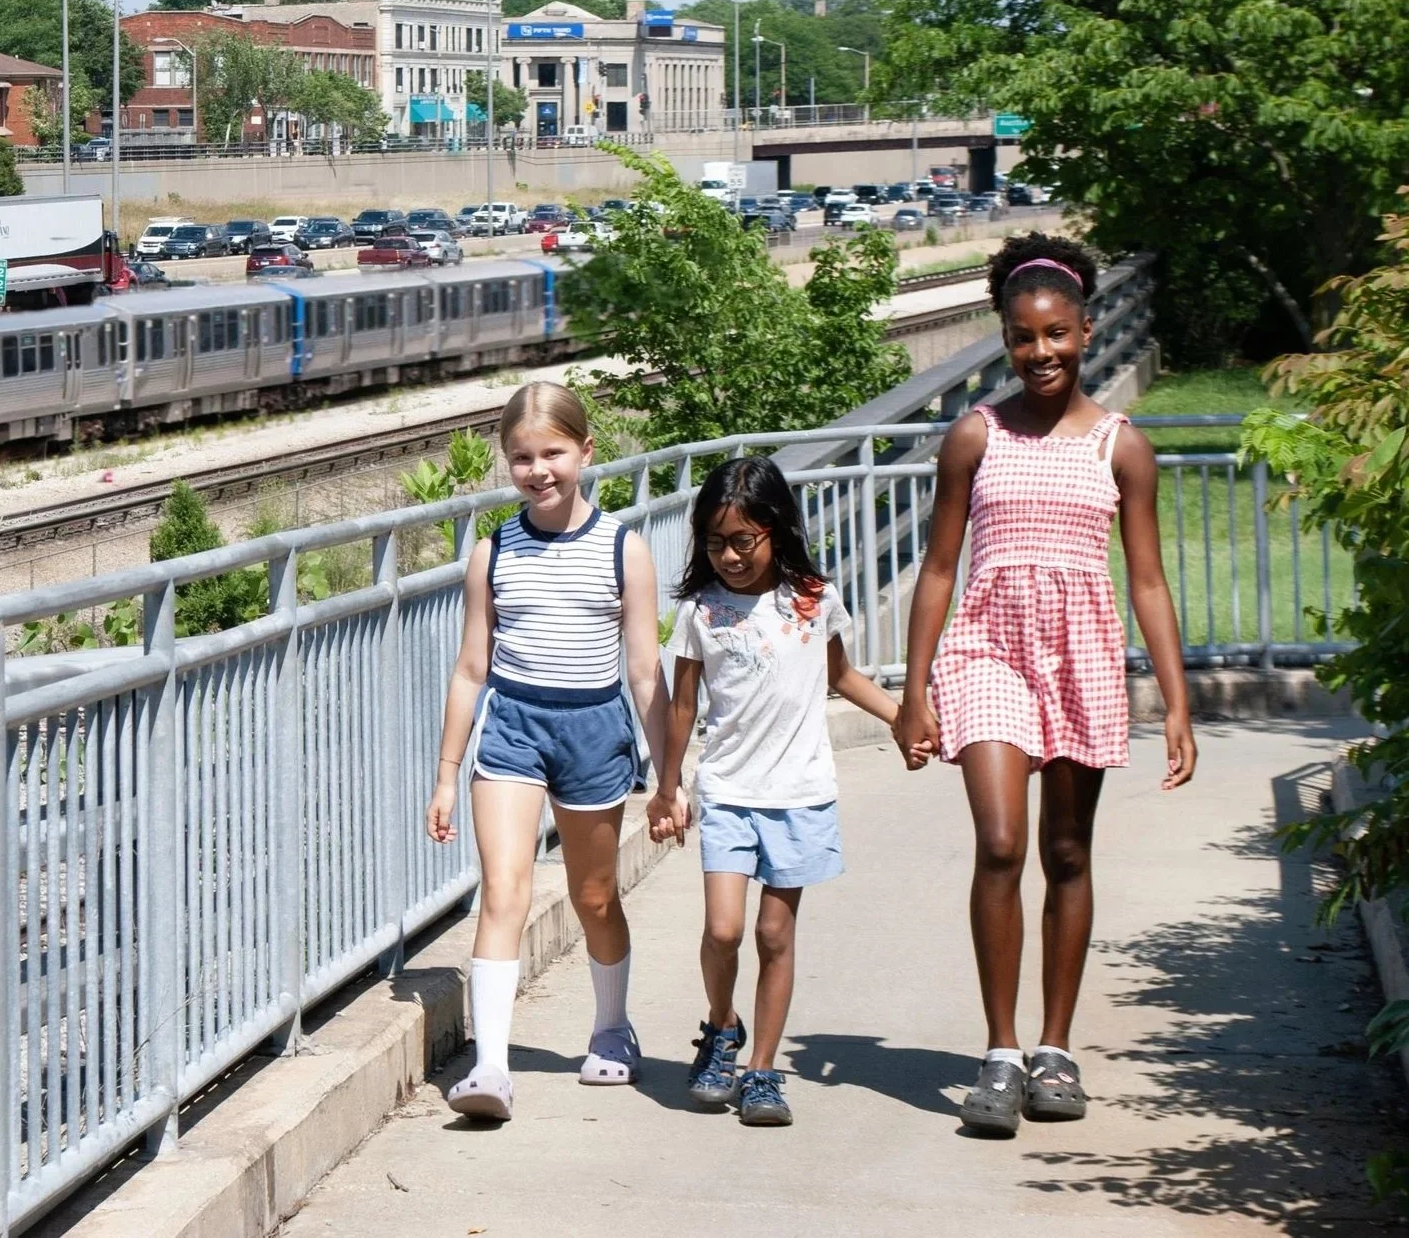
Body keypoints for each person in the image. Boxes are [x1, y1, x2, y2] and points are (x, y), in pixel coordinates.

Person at [896, 234, 1196, 1137]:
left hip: (1082, 659)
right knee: (1000, 843)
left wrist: (1178, 702)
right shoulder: (974, 435)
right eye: (1023, 340)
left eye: (1057, 335)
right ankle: (999, 1050)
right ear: (1003, 339)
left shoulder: (1120, 446)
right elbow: (940, 568)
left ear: (1085, 330)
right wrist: (916, 690)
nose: (1041, 354)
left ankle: (1055, 1050)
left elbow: (1147, 579)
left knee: (1067, 854)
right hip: (987, 652)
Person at [426, 381, 666, 1122]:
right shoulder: (493, 553)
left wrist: (670, 778)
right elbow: (471, 669)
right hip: (514, 729)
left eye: (553, 453)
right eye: (523, 457)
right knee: (505, 892)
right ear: (509, 463)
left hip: (594, 730)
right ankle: (491, 1066)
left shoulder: (624, 548)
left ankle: (610, 1028)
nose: (540, 471)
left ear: (586, 452)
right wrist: (444, 776)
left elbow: (644, 671)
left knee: (595, 896)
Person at [650, 456, 901, 1126]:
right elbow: (681, 706)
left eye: (743, 541)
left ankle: (762, 1069)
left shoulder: (814, 598)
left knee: (774, 934)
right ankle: (721, 1026)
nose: (729, 556)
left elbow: (843, 676)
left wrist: (903, 717)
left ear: (776, 531)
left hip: (800, 792)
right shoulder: (699, 612)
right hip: (729, 789)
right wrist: (667, 787)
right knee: (724, 929)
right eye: (715, 543)